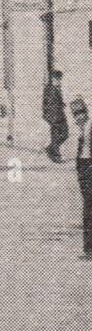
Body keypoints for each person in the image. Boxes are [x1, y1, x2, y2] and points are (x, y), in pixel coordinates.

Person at [73, 98, 92, 258]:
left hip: (89, 170)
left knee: (88, 211)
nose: (77, 117)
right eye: (75, 115)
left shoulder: (90, 129)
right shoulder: (82, 130)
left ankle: (89, 249)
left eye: (80, 114)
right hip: (85, 171)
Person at [43, 69, 68, 162]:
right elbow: (47, 104)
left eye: (59, 78)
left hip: (60, 115)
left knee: (65, 134)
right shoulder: (49, 89)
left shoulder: (58, 88)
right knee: (55, 136)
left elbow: (56, 102)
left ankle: (50, 148)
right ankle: (56, 156)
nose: (58, 80)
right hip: (54, 116)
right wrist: (49, 116)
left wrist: (62, 104)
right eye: (56, 78)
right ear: (53, 79)